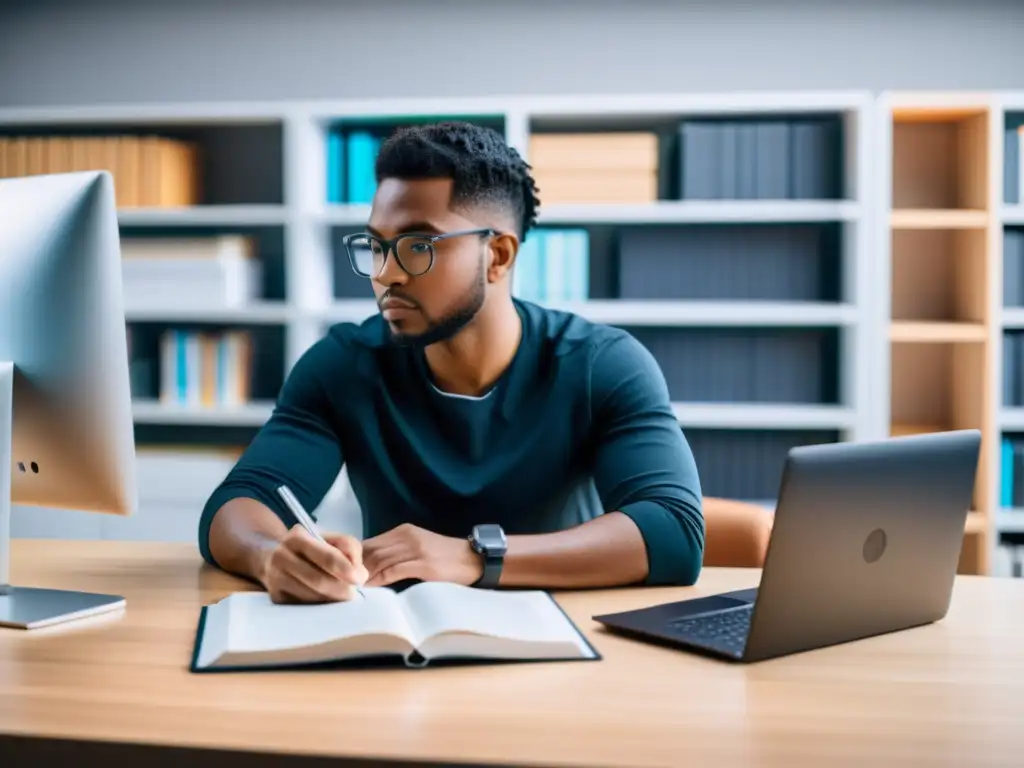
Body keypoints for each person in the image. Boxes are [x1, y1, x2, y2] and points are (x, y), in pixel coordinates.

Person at [198, 121, 705, 603]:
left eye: (418, 245)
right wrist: (272, 559)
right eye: (377, 246)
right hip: (396, 644)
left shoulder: (602, 365)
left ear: (499, 256)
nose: (386, 274)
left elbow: (675, 530)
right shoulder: (343, 364)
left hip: (564, 636)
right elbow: (238, 506)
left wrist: (473, 557)